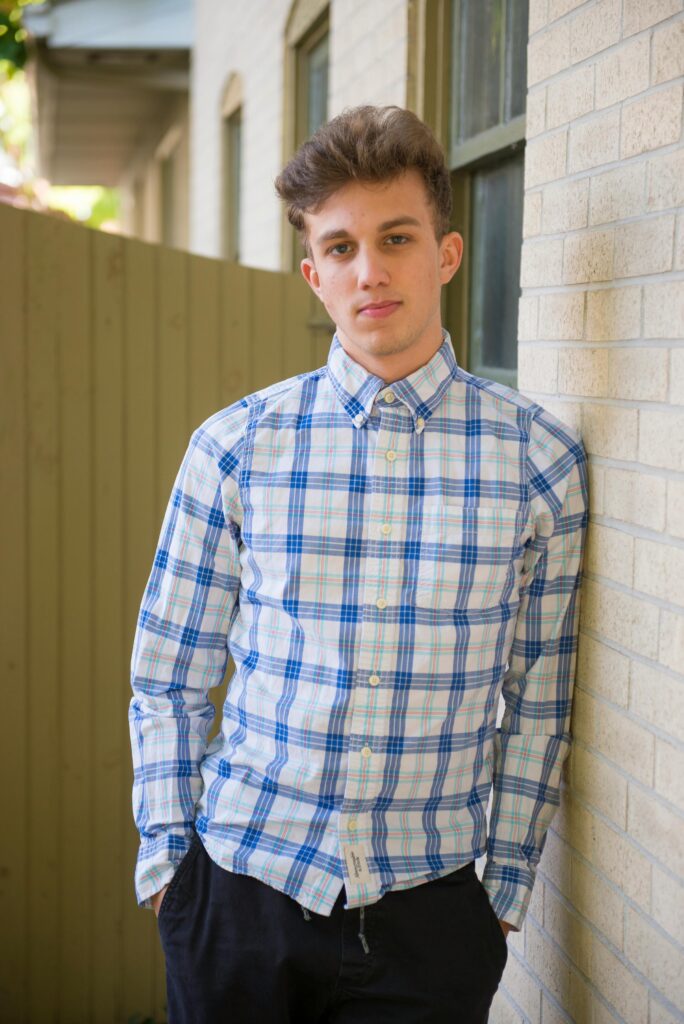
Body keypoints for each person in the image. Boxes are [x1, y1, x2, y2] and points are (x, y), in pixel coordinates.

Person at [129, 104, 588, 1023]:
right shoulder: (235, 446)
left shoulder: (539, 461)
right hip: (239, 892)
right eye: (340, 248)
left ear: (446, 254)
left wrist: (499, 897)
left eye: (396, 237)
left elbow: (539, 700)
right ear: (314, 274)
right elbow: (169, 673)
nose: (370, 270)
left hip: (432, 920)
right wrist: (168, 868)